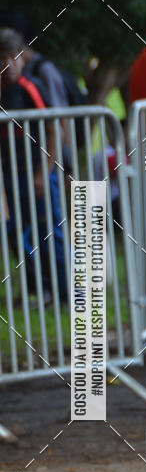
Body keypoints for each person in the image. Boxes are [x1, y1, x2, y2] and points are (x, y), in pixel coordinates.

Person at [0, 27, 68, 303]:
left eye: (13, 58)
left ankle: (65, 292)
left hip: (39, 175)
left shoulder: (31, 88)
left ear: (22, 58)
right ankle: (35, 288)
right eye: (2, 58)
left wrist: (45, 172)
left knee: (50, 230)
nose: (9, 65)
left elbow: (56, 132)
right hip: (11, 177)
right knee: (17, 231)